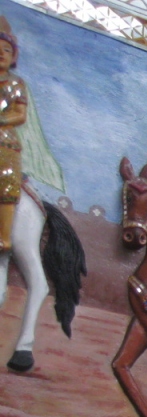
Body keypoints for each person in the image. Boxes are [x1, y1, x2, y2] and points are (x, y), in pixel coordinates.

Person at [0, 24, 25, 254]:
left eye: (6, 50)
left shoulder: (16, 83)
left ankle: (4, 237)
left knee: (7, 182)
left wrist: (2, 119)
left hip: (4, 140)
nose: (1, 53)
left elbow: (20, 114)